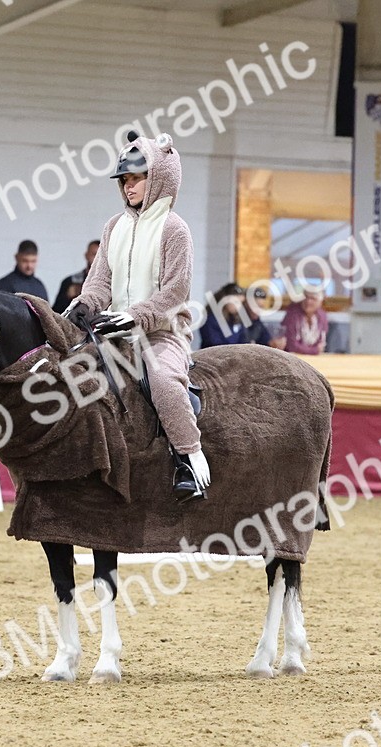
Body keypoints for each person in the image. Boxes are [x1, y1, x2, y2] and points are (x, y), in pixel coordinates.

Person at [65, 131, 209, 502]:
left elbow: (175, 292)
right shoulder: (114, 227)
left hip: (161, 333)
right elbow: (99, 282)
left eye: (136, 178)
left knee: (161, 380)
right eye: (125, 180)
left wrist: (136, 317)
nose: (128, 187)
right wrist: (85, 305)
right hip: (113, 332)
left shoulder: (175, 229)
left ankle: (189, 459)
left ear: (158, 176)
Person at [199, 283, 271, 348]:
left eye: (240, 302)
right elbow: (214, 344)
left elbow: (244, 340)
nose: (239, 306)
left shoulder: (236, 320)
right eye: (235, 302)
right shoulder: (210, 320)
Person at [53, 240, 100, 313]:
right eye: (94, 254)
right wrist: (67, 297)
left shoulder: (109, 284)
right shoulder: (70, 281)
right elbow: (55, 312)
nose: (97, 259)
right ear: (86, 255)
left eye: (100, 256)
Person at [279, 286, 329, 354]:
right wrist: (314, 351)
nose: (308, 301)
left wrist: (315, 350)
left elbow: (321, 344)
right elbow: (291, 345)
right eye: (306, 297)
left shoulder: (322, 316)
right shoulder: (292, 314)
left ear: (321, 302)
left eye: (313, 299)